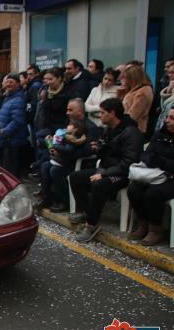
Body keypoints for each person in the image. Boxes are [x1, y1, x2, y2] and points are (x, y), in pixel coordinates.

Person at [69, 98, 143, 242]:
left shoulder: (131, 132)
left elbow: (129, 162)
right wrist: (99, 148)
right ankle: (88, 212)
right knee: (75, 177)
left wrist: (104, 174)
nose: (100, 116)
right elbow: (108, 152)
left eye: (102, 113)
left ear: (112, 113)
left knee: (100, 184)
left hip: (122, 173)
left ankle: (91, 226)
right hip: (106, 168)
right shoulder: (109, 129)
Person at [127, 107, 174, 245]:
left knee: (152, 194)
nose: (167, 121)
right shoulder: (161, 134)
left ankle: (155, 230)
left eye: (172, 118)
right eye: (168, 117)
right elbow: (147, 154)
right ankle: (143, 225)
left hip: (171, 178)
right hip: (155, 174)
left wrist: (159, 160)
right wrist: (162, 161)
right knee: (134, 189)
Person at [38, 119, 88, 212]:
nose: (67, 126)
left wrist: (54, 145)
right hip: (62, 160)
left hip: (70, 163)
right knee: (45, 166)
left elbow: (68, 150)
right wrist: (51, 145)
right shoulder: (66, 136)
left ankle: (65, 201)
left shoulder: (74, 139)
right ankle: (46, 197)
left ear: (75, 129)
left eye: (70, 125)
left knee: (54, 171)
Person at [0, 73, 28, 178]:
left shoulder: (18, 99)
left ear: (18, 84)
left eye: (11, 82)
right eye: (7, 81)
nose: (8, 84)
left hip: (12, 139)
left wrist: (5, 131)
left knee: (11, 170)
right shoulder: (8, 97)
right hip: (6, 139)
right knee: (6, 167)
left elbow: (18, 120)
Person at [121, 65, 154, 135]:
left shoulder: (143, 91)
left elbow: (134, 114)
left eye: (126, 78)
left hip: (135, 129)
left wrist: (121, 123)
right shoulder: (134, 89)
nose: (124, 80)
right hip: (128, 127)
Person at [155, 62, 174, 133]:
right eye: (169, 72)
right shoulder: (169, 87)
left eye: (173, 72)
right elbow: (163, 107)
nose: (170, 75)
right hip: (164, 124)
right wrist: (169, 90)